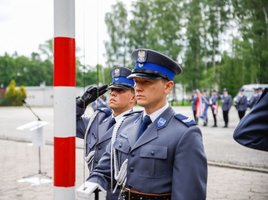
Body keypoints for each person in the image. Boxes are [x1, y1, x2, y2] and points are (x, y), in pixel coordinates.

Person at [77, 49, 207, 200]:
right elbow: (104, 170)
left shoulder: (185, 133)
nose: (138, 87)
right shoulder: (125, 124)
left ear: (168, 86)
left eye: (146, 81)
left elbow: (188, 195)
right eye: (136, 81)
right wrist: (91, 187)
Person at [76, 67, 136, 199]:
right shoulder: (98, 120)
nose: (113, 93)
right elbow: (66, 124)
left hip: (120, 194)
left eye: (120, 90)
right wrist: (82, 103)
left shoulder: (138, 125)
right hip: (95, 189)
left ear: (133, 97)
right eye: (112, 89)